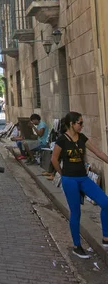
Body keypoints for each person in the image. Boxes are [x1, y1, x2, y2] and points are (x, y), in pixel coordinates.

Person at [51, 111, 108, 259]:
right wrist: (62, 174)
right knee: (76, 213)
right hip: (69, 180)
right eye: (80, 123)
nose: (82, 125)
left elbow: (98, 152)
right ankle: (77, 246)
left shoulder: (82, 137)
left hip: (83, 178)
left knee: (105, 202)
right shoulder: (62, 140)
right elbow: (54, 160)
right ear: (71, 124)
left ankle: (106, 237)